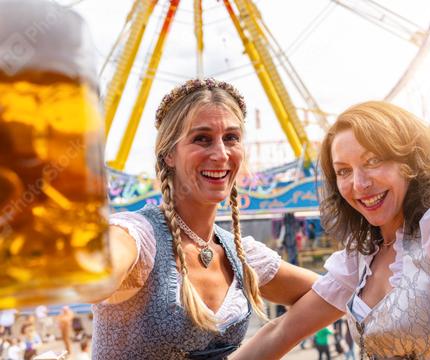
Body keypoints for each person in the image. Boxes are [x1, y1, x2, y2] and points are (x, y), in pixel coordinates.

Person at [231, 101, 430, 359]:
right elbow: (282, 330)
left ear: (411, 161)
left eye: (373, 161)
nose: (359, 184)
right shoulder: (361, 258)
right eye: (344, 171)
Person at [90, 78, 317, 358]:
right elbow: (100, 266)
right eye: (202, 139)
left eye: (231, 138)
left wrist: (272, 339)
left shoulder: (241, 255)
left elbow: (329, 293)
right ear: (169, 154)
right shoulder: (140, 236)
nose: (221, 154)